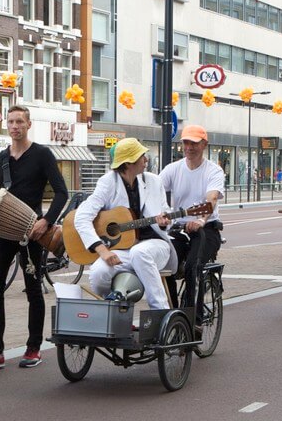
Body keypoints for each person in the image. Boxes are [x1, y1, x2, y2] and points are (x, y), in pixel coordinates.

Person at [0, 105, 68, 370]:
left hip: (33, 231)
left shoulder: (42, 155)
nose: (15, 126)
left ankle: (33, 347)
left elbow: (62, 192)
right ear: (7, 125)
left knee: (33, 289)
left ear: (28, 124)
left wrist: (46, 221)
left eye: (19, 122)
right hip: (4, 231)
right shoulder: (0, 159)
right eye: (11, 122)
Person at [75, 138, 175, 308]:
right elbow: (81, 217)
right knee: (98, 272)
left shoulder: (153, 181)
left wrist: (164, 222)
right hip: (123, 250)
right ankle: (116, 314)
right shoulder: (108, 182)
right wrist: (103, 251)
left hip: (154, 246)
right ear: (128, 163)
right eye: (141, 156)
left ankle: (160, 310)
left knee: (139, 252)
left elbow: (165, 211)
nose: (146, 159)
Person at [159, 124, 224, 311]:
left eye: (194, 143)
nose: (189, 147)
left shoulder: (213, 171)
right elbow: (155, 189)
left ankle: (192, 317)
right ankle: (173, 312)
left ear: (204, 144)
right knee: (165, 263)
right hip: (179, 228)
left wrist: (201, 220)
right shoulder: (173, 169)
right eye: (186, 143)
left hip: (207, 228)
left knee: (193, 268)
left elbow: (211, 197)